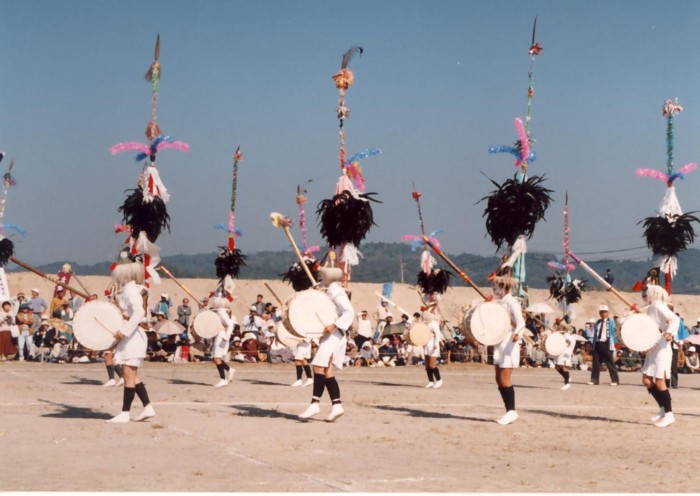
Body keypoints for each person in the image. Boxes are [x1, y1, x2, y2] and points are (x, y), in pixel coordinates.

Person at [299, 268, 354, 422]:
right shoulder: (329, 291)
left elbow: (349, 311)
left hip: (334, 335)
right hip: (331, 335)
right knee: (327, 371)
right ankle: (337, 405)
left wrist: (334, 325)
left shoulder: (336, 291)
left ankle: (314, 404)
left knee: (318, 366)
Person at [106, 257, 155, 423]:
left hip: (133, 336)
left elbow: (139, 313)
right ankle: (147, 407)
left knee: (128, 375)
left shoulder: (130, 290)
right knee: (132, 376)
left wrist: (124, 330)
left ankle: (125, 412)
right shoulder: (132, 289)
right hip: (133, 335)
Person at [639, 282, 680, 427]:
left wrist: (669, 332)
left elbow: (676, 319)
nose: (643, 294)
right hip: (652, 347)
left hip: (662, 347)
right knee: (646, 380)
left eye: (645, 291)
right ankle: (662, 408)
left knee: (659, 380)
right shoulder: (649, 308)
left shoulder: (658, 306)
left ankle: (669, 414)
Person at [490, 272, 526, 425]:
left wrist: (517, 334)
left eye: (496, 286)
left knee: (505, 378)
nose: (494, 289)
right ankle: (508, 411)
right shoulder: (499, 302)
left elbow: (521, 322)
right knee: (498, 378)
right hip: (499, 342)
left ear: (503, 286)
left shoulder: (512, 302)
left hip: (509, 343)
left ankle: (511, 411)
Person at [588, 305, 619, 386]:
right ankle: (594, 379)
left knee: (610, 363)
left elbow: (615, 333)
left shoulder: (611, 322)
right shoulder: (597, 322)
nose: (603, 314)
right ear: (599, 313)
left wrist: (617, 346)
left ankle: (615, 380)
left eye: (604, 312)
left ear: (608, 313)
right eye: (601, 312)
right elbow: (595, 334)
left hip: (607, 343)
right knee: (596, 363)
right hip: (598, 343)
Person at [210, 295, 236, 388]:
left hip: (222, 336)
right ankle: (229, 370)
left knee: (217, 358)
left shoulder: (222, 312)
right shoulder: (219, 312)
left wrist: (227, 336)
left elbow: (230, 324)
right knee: (215, 358)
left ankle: (223, 379)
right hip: (219, 335)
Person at [421, 309, 444, 388]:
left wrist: (436, 343)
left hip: (433, 346)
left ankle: (439, 380)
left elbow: (437, 334)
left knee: (432, 364)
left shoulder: (434, 323)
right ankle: (430, 381)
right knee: (427, 365)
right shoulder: (424, 324)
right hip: (426, 345)